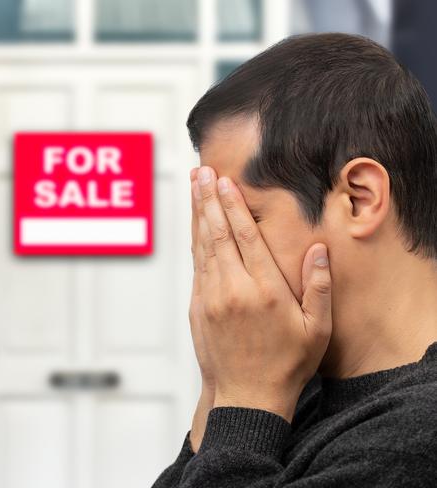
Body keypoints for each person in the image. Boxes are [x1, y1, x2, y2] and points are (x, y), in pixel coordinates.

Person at [151, 32, 437, 487]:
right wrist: (219, 388)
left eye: (243, 216)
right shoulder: (297, 389)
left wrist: (245, 400)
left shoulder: (417, 435)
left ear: (360, 199)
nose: (214, 256)